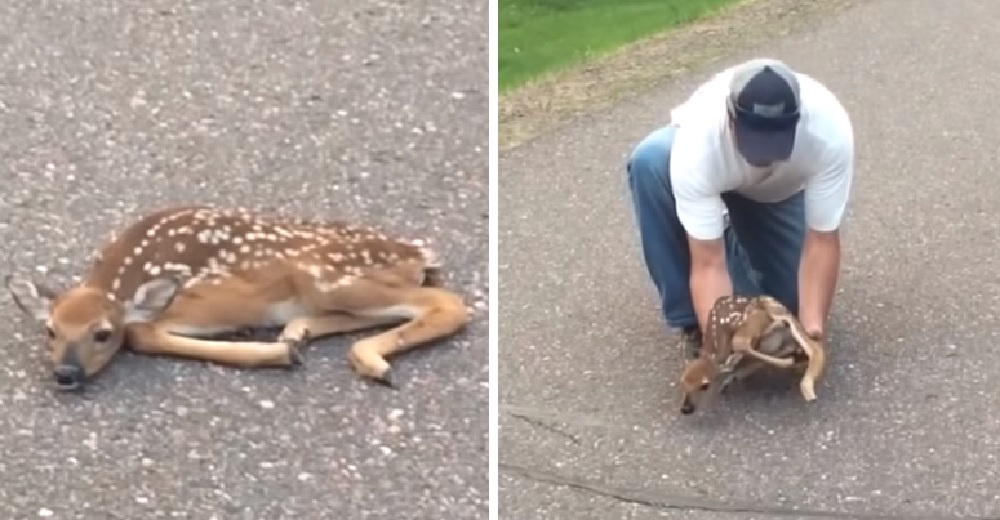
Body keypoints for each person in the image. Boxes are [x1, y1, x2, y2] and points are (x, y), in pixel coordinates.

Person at [624, 57, 854, 365]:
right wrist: (718, 346)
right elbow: (708, 264)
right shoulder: (698, 142)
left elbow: (822, 242)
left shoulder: (829, 131)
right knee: (649, 161)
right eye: (756, 139)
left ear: (798, 120)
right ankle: (689, 318)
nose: (766, 153)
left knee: (788, 316)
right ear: (730, 119)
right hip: (710, 174)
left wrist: (812, 335)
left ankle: (732, 234)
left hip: (776, 195)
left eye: (777, 140)